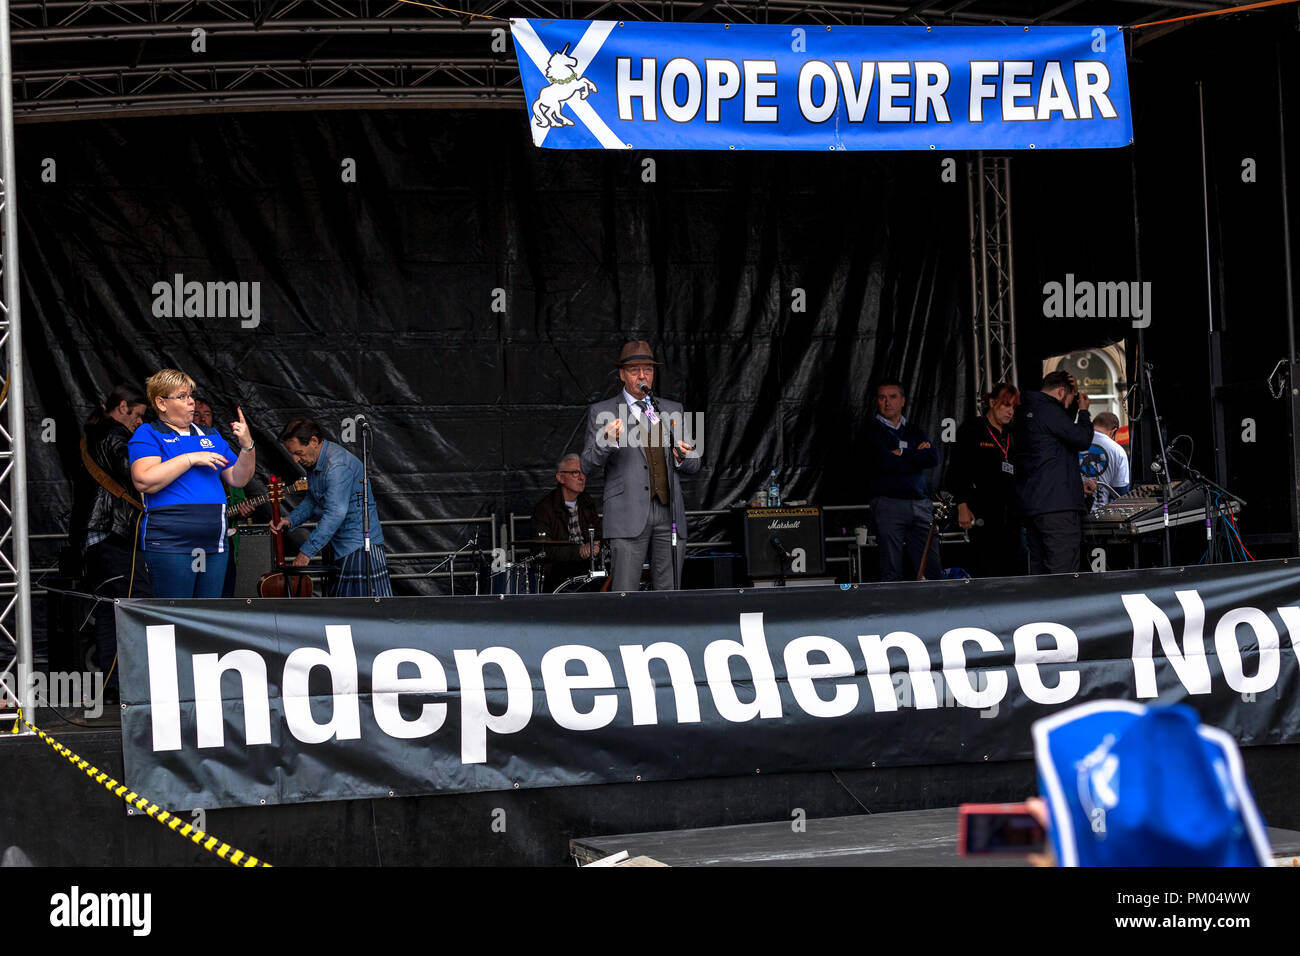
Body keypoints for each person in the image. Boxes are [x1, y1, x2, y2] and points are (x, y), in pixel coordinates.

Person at [580, 341, 701, 591]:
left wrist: (681, 456)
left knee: (669, 592)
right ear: (622, 374)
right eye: (635, 370)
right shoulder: (602, 411)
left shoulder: (671, 410)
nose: (642, 375)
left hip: (669, 514)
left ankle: (666, 631)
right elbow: (586, 465)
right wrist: (607, 440)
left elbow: (695, 462)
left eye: (648, 369)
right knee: (625, 591)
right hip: (627, 514)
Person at [129, 370, 256, 598]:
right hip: (171, 544)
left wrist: (247, 447)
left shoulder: (211, 435)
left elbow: (239, 478)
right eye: (182, 396)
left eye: (191, 396)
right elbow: (144, 480)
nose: (191, 402)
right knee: (176, 615)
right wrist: (190, 458)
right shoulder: (149, 433)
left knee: (206, 616)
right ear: (161, 402)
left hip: (213, 543)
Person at [67, 384, 149, 700]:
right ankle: (137, 682)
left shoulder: (93, 435)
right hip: (112, 533)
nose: (140, 422)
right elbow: (134, 471)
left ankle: (114, 686)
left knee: (108, 609)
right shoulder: (115, 435)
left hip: (93, 537)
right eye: (138, 415)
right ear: (123, 407)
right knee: (139, 601)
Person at [274, 417, 392, 597]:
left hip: (358, 546)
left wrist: (306, 552)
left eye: (298, 452)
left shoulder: (337, 466)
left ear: (314, 441)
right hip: (340, 545)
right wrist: (290, 520)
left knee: (360, 611)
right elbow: (313, 500)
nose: (295, 459)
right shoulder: (315, 462)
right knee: (345, 610)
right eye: (292, 454)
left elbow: (335, 513)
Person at [1012, 371, 1095, 575]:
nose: (1068, 405)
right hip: (1058, 508)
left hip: (1032, 504)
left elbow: (1061, 431)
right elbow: (1081, 438)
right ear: (1060, 391)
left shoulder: (1023, 412)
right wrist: (1083, 412)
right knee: (1063, 574)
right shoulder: (1049, 410)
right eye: (1067, 400)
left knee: (1039, 574)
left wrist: (1073, 404)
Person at [864, 379, 941, 581]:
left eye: (892, 397)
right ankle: (894, 610)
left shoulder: (914, 430)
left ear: (903, 400)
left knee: (930, 567)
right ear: (877, 401)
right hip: (889, 504)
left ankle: (933, 609)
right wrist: (915, 455)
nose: (887, 402)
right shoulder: (871, 431)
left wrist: (902, 452)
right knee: (891, 568)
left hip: (920, 504)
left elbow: (933, 458)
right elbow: (885, 463)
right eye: (882, 397)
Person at [948, 382, 1025, 578]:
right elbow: (958, 470)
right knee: (987, 567)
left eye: (1013, 407)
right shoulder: (972, 429)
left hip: (1011, 514)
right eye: (1006, 405)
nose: (1010, 411)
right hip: (983, 512)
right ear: (992, 402)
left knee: (1013, 567)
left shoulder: (1011, 434)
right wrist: (962, 505)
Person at [194, 396, 255, 596]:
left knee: (223, 592)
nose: (202, 419)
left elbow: (238, 484)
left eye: (207, 414)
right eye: (197, 414)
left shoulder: (219, 445)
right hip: (191, 534)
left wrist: (242, 510)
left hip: (221, 537)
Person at [530, 453, 603, 591]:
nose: (581, 477)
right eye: (575, 473)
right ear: (560, 477)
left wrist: (596, 546)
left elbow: (599, 534)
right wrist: (579, 551)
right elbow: (542, 549)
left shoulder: (587, 502)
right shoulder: (545, 508)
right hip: (558, 572)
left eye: (583, 473)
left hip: (589, 567)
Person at [1080, 411, 1131, 511]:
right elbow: (1121, 492)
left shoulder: (1076, 442)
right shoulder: (1118, 451)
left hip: (1072, 513)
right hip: (1103, 516)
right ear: (1113, 431)